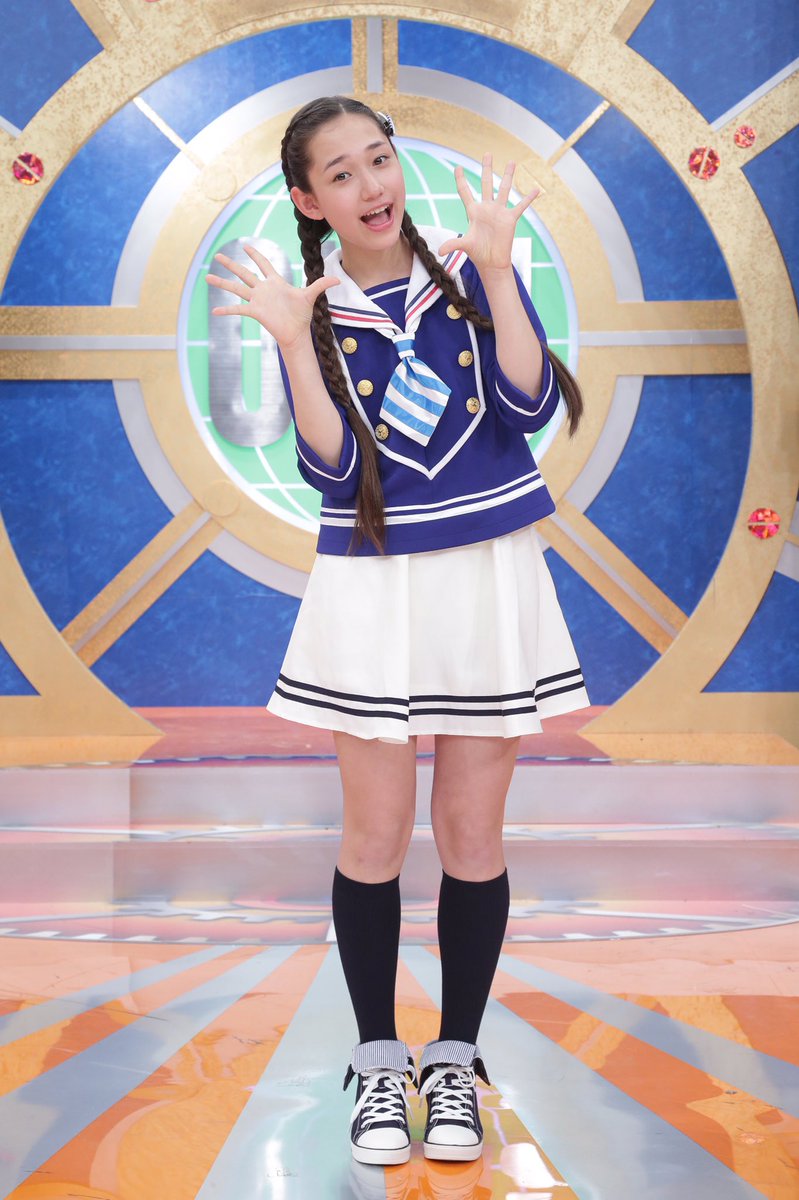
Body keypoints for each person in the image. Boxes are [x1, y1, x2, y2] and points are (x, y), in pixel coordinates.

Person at [206, 95, 590, 1167]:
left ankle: (454, 1060)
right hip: (372, 587)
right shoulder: (315, 309)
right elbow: (332, 473)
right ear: (307, 201)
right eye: (340, 173)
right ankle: (379, 1062)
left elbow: (527, 407)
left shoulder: (471, 274)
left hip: (485, 574)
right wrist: (294, 344)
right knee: (373, 838)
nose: (371, 185)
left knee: (471, 836)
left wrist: (500, 272)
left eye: (379, 159)